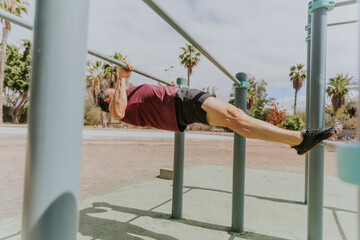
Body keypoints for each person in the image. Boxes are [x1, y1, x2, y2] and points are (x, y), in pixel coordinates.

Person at [97, 61, 342, 155]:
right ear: (107, 99)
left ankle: (298, 140)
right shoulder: (120, 100)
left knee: (237, 121)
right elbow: (118, 112)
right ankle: (301, 139)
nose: (114, 88)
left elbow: (145, 103)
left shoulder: (129, 98)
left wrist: (169, 88)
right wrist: (121, 79)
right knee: (236, 117)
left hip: (179, 104)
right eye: (110, 92)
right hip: (182, 103)